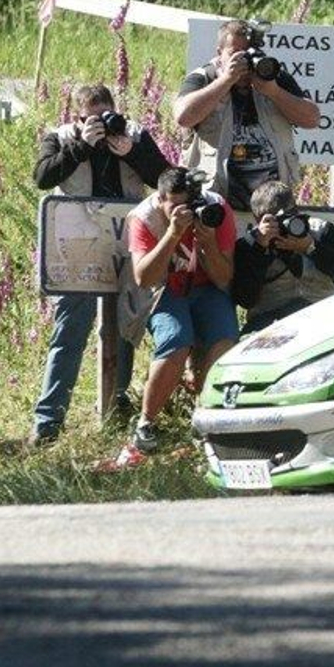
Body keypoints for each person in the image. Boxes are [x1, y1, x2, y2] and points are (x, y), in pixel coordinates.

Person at [28, 83, 169, 447]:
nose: (103, 126)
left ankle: (117, 403)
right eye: (94, 120)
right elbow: (43, 177)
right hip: (77, 246)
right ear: (78, 118)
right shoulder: (60, 137)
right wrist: (80, 147)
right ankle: (48, 421)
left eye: (106, 116)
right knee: (71, 329)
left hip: (125, 240)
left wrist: (133, 153)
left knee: (126, 323)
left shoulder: (133, 133)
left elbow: (163, 179)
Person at [122, 167, 238, 459]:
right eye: (176, 206)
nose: (186, 211)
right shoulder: (143, 217)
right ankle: (146, 423)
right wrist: (173, 234)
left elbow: (224, 278)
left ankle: (206, 421)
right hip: (164, 289)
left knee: (224, 341)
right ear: (160, 199)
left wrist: (208, 242)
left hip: (207, 286)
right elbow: (144, 278)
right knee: (176, 340)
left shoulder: (216, 209)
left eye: (190, 204)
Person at [174, 19, 320, 210]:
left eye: (250, 54)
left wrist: (273, 91)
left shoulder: (272, 77)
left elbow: (312, 119)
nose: (245, 62)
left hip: (271, 206)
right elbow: (183, 117)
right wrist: (225, 81)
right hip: (217, 203)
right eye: (236, 54)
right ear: (219, 54)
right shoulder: (204, 77)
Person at [232, 180, 334, 333]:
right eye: (275, 221)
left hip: (324, 316)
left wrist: (310, 247)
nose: (283, 225)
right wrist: (260, 249)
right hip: (271, 323)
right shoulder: (249, 245)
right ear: (259, 220)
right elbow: (245, 299)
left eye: (289, 216)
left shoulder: (320, 230)